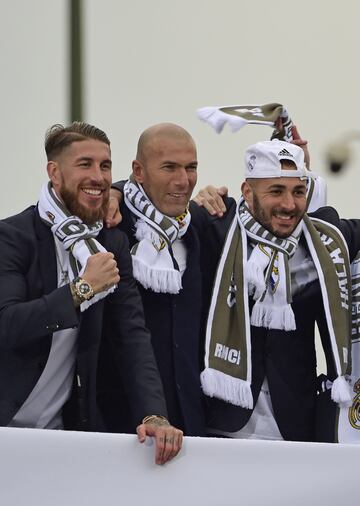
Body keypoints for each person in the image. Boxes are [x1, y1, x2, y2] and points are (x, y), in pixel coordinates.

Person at [0, 122, 182, 465]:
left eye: (105, 165)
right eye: (85, 164)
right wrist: (81, 290)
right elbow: (7, 325)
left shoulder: (111, 242)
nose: (98, 177)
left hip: (62, 434)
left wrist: (154, 415)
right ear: (55, 172)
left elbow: (132, 335)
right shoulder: (11, 236)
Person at [190, 138, 360, 442]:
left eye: (298, 191)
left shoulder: (324, 239)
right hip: (219, 428)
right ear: (247, 191)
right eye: (276, 191)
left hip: (294, 429)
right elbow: (157, 208)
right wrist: (116, 191)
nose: (289, 204)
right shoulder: (216, 225)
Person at [108, 123, 206, 436]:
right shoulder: (110, 224)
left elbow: (273, 210)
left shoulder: (202, 225)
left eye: (191, 168)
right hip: (119, 427)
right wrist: (116, 189)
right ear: (139, 170)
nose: (183, 180)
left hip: (191, 425)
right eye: (169, 168)